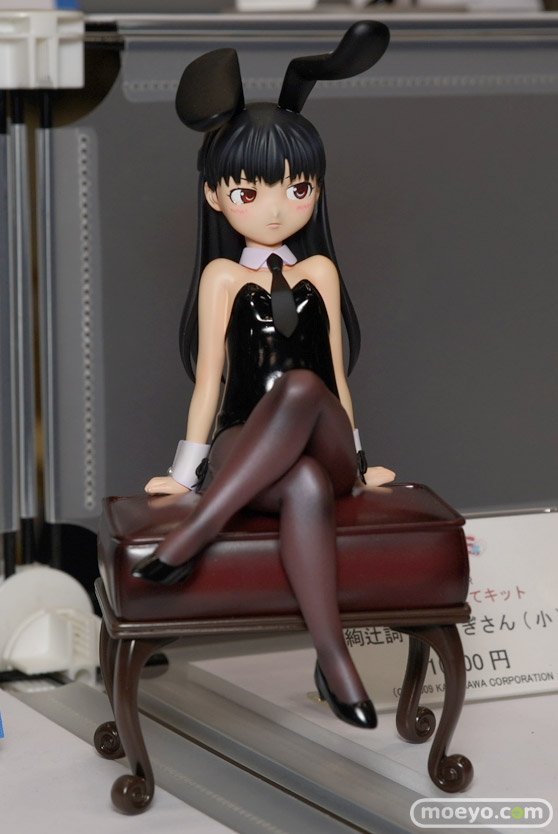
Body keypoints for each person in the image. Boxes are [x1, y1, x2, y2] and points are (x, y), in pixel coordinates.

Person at [133, 23, 394, 729]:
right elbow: (210, 382)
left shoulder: (321, 271)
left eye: (297, 187)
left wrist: (360, 463)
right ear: (216, 196)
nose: (277, 208)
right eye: (250, 192)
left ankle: (194, 536)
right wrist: (184, 473)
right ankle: (335, 663)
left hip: (325, 440)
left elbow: (336, 375)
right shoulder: (221, 277)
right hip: (245, 442)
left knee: (305, 387)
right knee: (301, 484)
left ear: (316, 190)